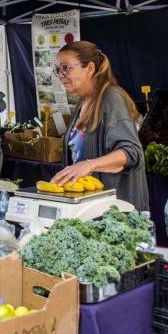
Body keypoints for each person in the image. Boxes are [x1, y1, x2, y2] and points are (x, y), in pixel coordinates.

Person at [51, 40, 148, 212]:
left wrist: (89, 165)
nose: (60, 74)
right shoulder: (83, 102)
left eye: (66, 68)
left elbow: (131, 152)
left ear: (90, 68)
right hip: (91, 209)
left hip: (116, 213)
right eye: (58, 69)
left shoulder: (111, 99)